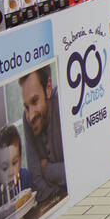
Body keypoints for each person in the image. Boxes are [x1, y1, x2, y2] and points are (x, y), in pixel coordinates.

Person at [19, 68, 66, 204]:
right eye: (26, 107)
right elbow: (37, 182)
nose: (31, 115)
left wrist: (47, 169)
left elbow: (77, 171)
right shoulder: (27, 118)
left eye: (35, 101)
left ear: (48, 88)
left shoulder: (64, 102)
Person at [0, 124, 34, 201]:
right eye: (5, 168)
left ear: (20, 160)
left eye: (14, 163)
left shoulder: (27, 178)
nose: (11, 172)